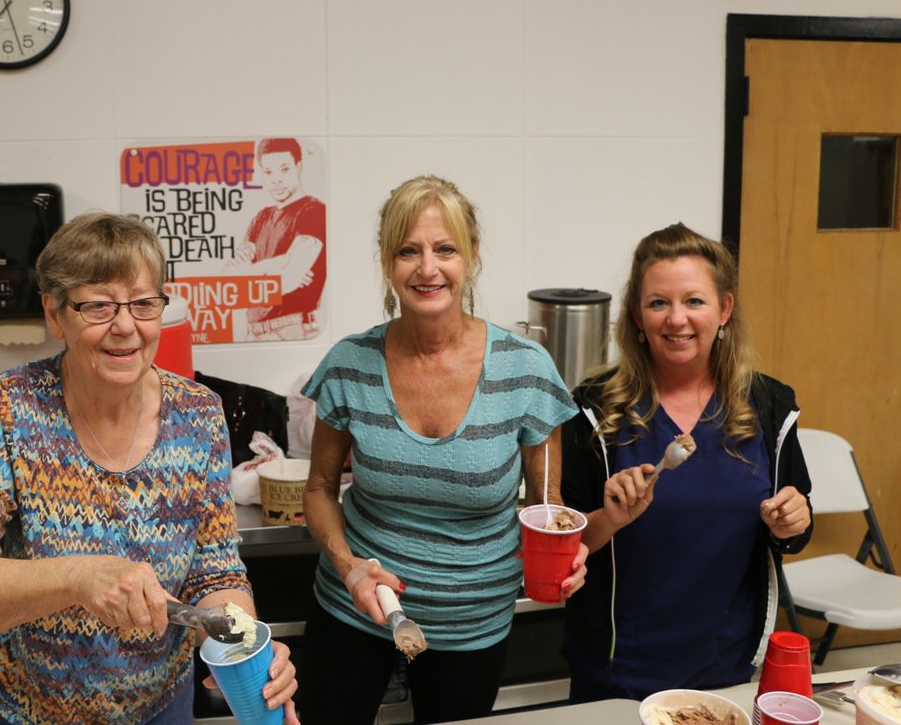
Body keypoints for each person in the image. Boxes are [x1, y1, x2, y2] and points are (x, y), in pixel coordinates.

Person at [0, 212, 299, 725]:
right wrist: (78, 577)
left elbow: (214, 572)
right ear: (54, 314)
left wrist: (249, 646)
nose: (125, 326)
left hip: (158, 708)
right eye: (97, 306)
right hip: (19, 709)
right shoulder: (11, 408)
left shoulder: (199, 414)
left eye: (143, 303)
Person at [297, 175, 587, 724]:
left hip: (472, 623)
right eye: (409, 251)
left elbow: (547, 501)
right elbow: (318, 489)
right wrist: (347, 564)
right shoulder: (348, 364)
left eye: (445, 249)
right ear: (388, 262)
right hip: (355, 606)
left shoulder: (525, 371)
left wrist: (567, 555)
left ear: (471, 257)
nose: (427, 268)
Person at [560, 222, 814, 703]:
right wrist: (609, 518)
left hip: (729, 665)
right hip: (617, 670)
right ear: (637, 314)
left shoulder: (769, 404)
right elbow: (565, 542)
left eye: (694, 301)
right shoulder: (594, 409)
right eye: (659, 303)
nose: (676, 319)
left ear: (725, 309)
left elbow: (796, 527)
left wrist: (791, 522)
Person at [226, 137, 326, 341]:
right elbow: (229, 282)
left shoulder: (313, 211)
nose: (276, 179)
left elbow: (289, 278)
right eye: (268, 172)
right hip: (254, 331)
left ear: (298, 167)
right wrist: (280, 265)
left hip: (291, 327)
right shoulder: (261, 217)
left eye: (284, 169)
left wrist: (255, 274)